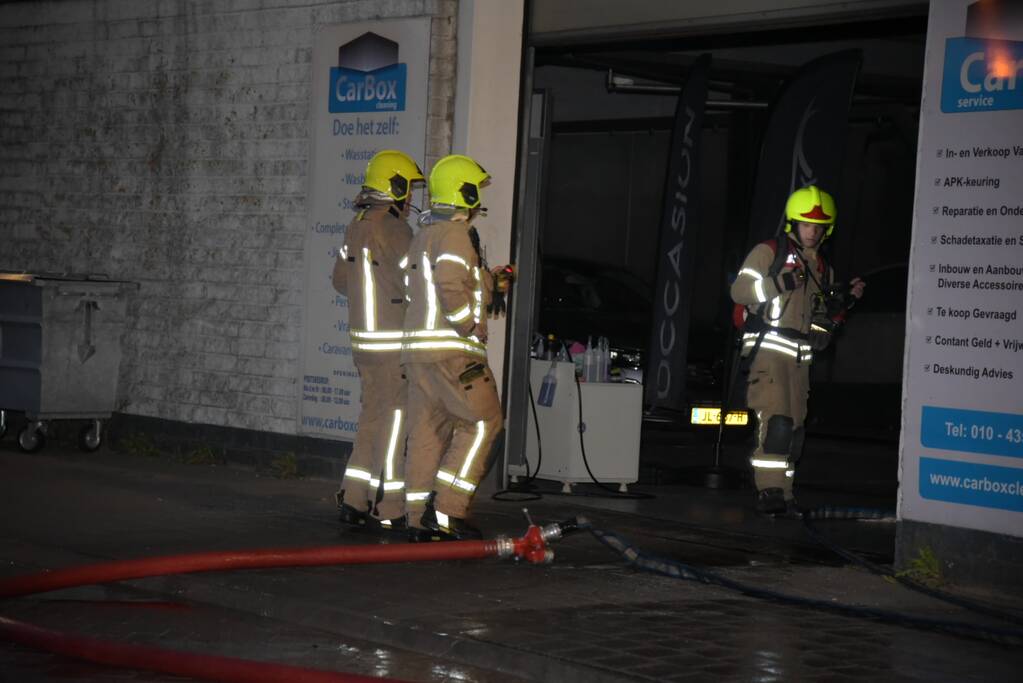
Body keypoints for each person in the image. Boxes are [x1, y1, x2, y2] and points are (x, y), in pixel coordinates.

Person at [730, 185, 865, 515]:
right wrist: (779, 283)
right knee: (776, 422)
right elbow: (740, 291)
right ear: (793, 223)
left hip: (800, 358)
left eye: (818, 227)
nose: (812, 232)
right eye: (806, 224)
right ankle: (769, 490)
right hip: (769, 350)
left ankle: (786, 492)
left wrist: (842, 304)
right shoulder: (769, 252)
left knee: (795, 428)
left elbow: (821, 323)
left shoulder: (823, 269)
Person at [401, 154, 509, 541]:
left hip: (420, 355)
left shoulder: (425, 235)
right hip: (451, 352)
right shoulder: (454, 235)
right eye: (475, 188)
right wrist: (469, 324)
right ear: (464, 191)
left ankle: (417, 518)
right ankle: (447, 510)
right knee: (484, 422)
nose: (478, 196)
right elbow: (449, 285)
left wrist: (487, 283)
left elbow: (443, 282)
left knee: (428, 432)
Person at [331, 149, 425, 531]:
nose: (412, 199)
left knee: (371, 417)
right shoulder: (396, 230)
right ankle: (388, 505)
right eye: (409, 189)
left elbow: (339, 281)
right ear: (396, 186)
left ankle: (354, 498)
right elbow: (416, 283)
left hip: (362, 344)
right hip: (392, 346)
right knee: (395, 420)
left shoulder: (356, 226)